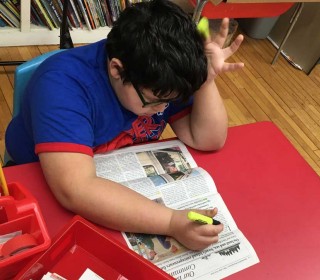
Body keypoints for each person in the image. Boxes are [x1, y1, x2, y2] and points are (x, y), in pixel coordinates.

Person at [5, 0, 244, 251]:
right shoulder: (61, 84)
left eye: (170, 102)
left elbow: (207, 139)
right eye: (154, 103)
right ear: (117, 69)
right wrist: (172, 222)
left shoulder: (162, 78)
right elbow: (75, 189)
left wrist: (206, 81)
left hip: (113, 178)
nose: (163, 109)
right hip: (33, 181)